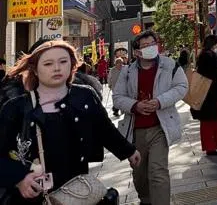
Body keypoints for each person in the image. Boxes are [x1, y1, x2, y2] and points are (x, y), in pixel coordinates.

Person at [0, 39, 140, 204]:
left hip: (75, 188)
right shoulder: (16, 107)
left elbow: (104, 128)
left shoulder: (84, 97)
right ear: (35, 69)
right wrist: (19, 178)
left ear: (72, 65)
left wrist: (129, 151)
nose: (57, 68)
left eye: (63, 61)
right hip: (31, 193)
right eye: (48, 63)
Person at [113, 29, 188, 205]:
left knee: (158, 172)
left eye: (152, 44)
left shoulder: (170, 65)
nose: (150, 48)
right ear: (137, 51)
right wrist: (135, 105)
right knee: (139, 175)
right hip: (136, 130)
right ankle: (145, 200)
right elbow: (117, 98)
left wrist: (160, 101)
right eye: (145, 46)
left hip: (160, 127)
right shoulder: (127, 71)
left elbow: (181, 87)